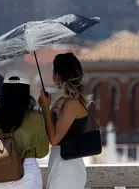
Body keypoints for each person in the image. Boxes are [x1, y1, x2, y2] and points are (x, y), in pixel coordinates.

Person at [0, 71, 49, 189]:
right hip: (28, 171)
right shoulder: (35, 118)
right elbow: (43, 151)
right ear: (25, 91)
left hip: (1, 172)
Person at [38, 53, 90, 189]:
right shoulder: (67, 102)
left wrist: (44, 107)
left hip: (66, 166)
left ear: (58, 76)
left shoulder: (71, 104)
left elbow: (54, 139)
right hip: (64, 164)